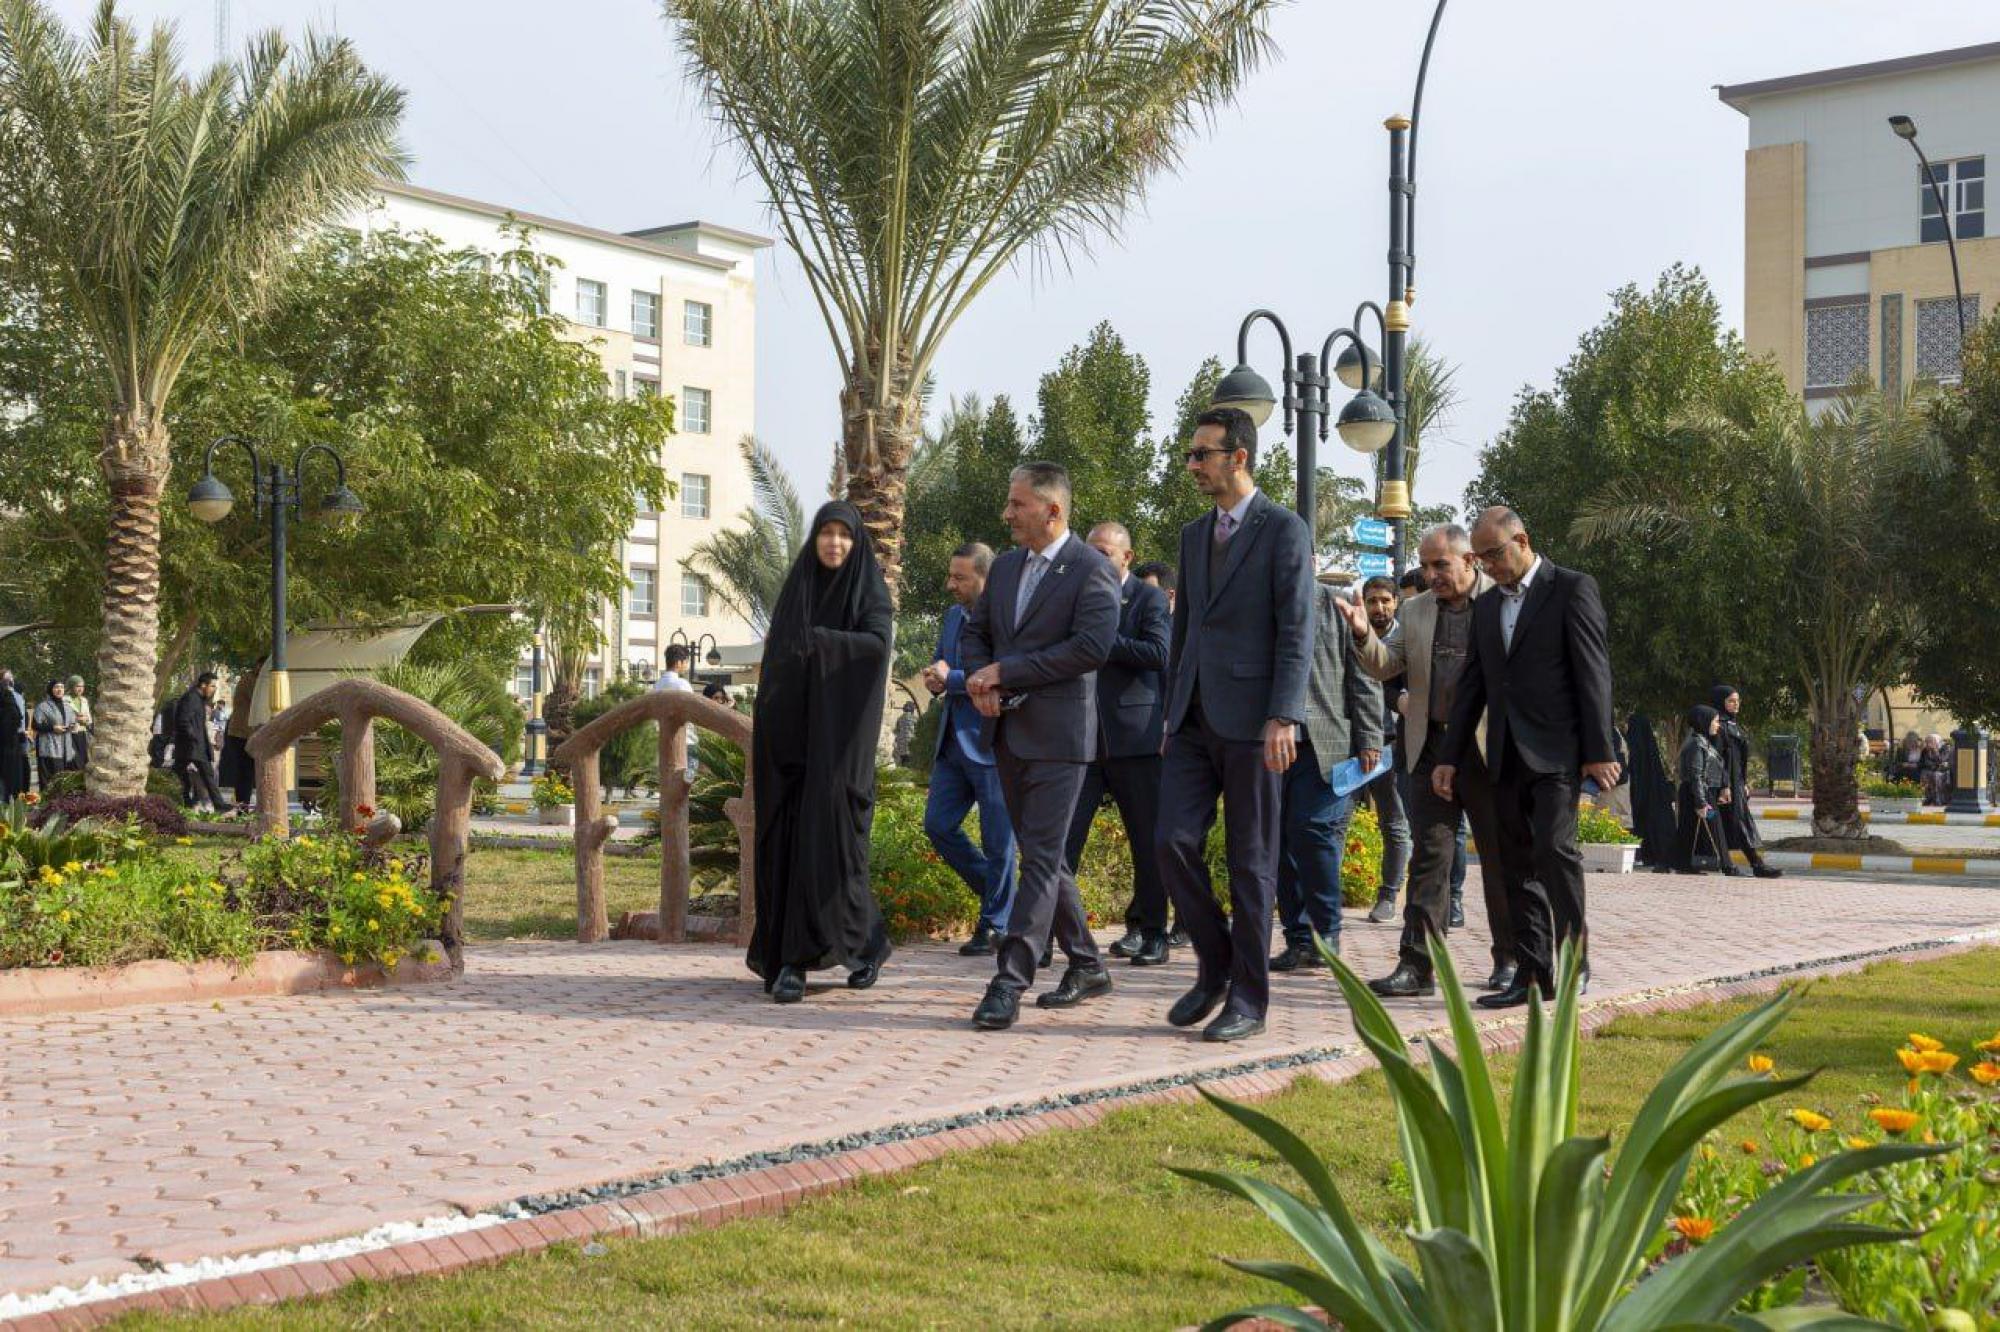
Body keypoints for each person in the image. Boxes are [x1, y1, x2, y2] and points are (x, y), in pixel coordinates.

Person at [1155, 407, 1313, 1043]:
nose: (1192, 464)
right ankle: (1216, 961)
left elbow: (1297, 628)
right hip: (1192, 719)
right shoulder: (1194, 535)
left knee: (1252, 863)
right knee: (1170, 840)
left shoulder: (1285, 530)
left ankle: (1248, 999)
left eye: (1202, 454)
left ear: (1238, 457)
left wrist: (1284, 714)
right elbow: (1185, 631)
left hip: (1255, 722)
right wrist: (1171, 713)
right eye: (1191, 454)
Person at [1435, 507, 1618, 1009]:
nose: (1488, 565)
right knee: (1514, 863)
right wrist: (1450, 756)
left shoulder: (1572, 589)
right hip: (1504, 755)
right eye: (1480, 558)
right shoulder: (1487, 607)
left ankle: (1574, 961)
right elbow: (1472, 686)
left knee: (1554, 852)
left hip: (1557, 753)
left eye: (1494, 554)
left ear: (1522, 540)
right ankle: (1533, 974)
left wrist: (1599, 750)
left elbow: (1593, 673)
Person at [962, 462, 1121, 1031]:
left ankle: (1009, 981)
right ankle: (1088, 963)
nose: (1007, 513)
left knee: (1039, 859)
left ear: (1052, 511)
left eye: (1018, 504)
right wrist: (982, 679)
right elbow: (976, 632)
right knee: (1044, 856)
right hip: (1006, 731)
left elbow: (1092, 647)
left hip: (1060, 738)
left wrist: (1008, 671)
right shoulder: (1005, 567)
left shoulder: (1092, 569)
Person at [1341, 524, 1515, 998]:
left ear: (1470, 561)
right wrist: (1362, 633)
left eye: (1441, 564)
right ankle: (1417, 966)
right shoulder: (1415, 610)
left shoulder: (1502, 602)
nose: (1430, 574)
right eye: (1424, 565)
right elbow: (1384, 665)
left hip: (1488, 749)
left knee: (1500, 859)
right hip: (1430, 746)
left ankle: (1510, 959)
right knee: (1428, 859)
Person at [746, 501, 896, 1002]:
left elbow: (875, 646)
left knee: (833, 849)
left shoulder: (869, 593)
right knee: (788, 843)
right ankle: (794, 958)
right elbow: (777, 666)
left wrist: (822, 642)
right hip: (791, 745)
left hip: (840, 746)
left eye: (844, 535)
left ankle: (856, 947)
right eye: (826, 533)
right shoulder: (799, 591)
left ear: (857, 543)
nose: (835, 543)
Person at [1060, 522, 1173, 966]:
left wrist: (1101, 642)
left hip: (1135, 739)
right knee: (1063, 842)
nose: (1096, 559)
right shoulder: (1074, 596)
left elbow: (1158, 653)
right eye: (1091, 551)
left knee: (1147, 843)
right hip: (1081, 738)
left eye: (1105, 552)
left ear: (1127, 557)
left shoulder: (1148, 598)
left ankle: (1152, 932)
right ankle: (1051, 935)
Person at [1270, 580, 1383, 971]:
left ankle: (1326, 932)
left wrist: (1370, 736)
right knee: (1280, 841)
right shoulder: (1259, 600)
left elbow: (1364, 674)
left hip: (1327, 743)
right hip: (1270, 744)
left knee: (1314, 833)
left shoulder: (1337, 605)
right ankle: (1298, 939)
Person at [921, 541, 1017, 957]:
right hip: (951, 743)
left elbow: (1002, 675)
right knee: (938, 825)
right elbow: (941, 663)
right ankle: (1006, 902)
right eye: (950, 575)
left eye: (960, 578)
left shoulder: (1006, 618)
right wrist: (935, 679)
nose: (951, 584)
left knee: (999, 842)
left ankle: (995, 923)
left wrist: (952, 678)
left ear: (985, 578)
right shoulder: (951, 616)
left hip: (992, 742)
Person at [1354, 575, 1413, 925]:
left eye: (1385, 601)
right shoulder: (1351, 635)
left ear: (1396, 603)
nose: (1379, 607)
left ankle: (1389, 896)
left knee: (1394, 823)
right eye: (1372, 601)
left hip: (1390, 745)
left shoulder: (1406, 640)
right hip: (1351, 745)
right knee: (1334, 822)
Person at [1710, 686, 1781, 878]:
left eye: (1737, 701)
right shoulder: (1719, 725)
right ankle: (1755, 864)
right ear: (1721, 702)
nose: (1736, 704)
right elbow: (1718, 759)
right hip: (1725, 785)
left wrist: (1744, 782)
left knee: (1737, 823)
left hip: (1736, 782)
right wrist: (1724, 785)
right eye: (1731, 701)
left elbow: (1740, 759)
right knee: (1735, 823)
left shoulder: (1733, 725)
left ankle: (1749, 864)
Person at [1674, 706, 1739, 876]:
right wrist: (1701, 802)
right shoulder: (1697, 744)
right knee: (1714, 827)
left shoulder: (1701, 741)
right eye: (1715, 721)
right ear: (1704, 722)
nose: (1718, 725)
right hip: (1699, 793)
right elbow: (1696, 775)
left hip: (1699, 792)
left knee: (1688, 829)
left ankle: (1681, 864)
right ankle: (1727, 866)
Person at [1624, 713, 1679, 870]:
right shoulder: (1651, 749)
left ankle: (1640, 854)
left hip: (1635, 793)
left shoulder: (1631, 745)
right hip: (1654, 795)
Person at [172, 672, 229, 813]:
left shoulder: (197, 699)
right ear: (203, 685)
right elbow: (183, 720)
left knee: (188, 773)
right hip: (192, 746)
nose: (214, 689)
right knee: (204, 774)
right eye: (212, 686)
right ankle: (217, 804)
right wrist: (194, 737)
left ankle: (192, 802)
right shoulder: (191, 698)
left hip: (194, 746)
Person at [219, 664, 260, 811]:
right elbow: (258, 699)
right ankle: (243, 806)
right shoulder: (250, 680)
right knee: (245, 772)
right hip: (241, 733)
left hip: (245, 732)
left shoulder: (253, 679)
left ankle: (244, 805)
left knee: (247, 772)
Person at [32, 680, 76, 792]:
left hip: (65, 748)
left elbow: (72, 721)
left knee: (62, 780)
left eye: (62, 687)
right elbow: (35, 725)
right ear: (50, 689)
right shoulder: (43, 706)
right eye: (56, 687)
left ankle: (59, 802)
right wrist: (52, 728)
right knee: (49, 781)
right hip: (48, 748)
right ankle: (46, 801)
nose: (59, 690)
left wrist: (72, 726)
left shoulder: (68, 707)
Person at [0, 670, 29, 801]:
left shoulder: (14, 695)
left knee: (12, 774)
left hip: (13, 740)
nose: (10, 680)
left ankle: (10, 801)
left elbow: (19, 715)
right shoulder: (7, 695)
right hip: (6, 740)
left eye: (11, 677)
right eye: (7, 678)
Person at [64, 676, 92, 772]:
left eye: (82, 686)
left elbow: (89, 719)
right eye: (77, 686)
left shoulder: (84, 700)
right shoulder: (64, 700)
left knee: (84, 761)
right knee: (74, 762)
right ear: (71, 686)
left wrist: (85, 720)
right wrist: (76, 719)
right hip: (70, 734)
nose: (80, 689)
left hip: (82, 734)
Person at [892, 701, 918, 768]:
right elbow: (918, 731)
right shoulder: (915, 719)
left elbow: (896, 731)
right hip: (911, 745)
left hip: (901, 746)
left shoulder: (900, 719)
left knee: (902, 762)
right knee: (910, 763)